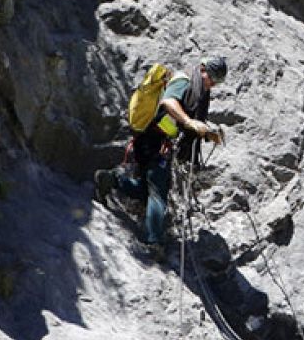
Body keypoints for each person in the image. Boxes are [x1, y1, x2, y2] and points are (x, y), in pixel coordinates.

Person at [95, 56, 227, 255]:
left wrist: (207, 134)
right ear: (202, 69)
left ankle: (110, 180)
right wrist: (189, 122)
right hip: (151, 140)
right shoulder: (184, 80)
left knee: (148, 191)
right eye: (212, 77)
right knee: (158, 191)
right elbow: (169, 102)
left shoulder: (198, 90)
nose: (213, 84)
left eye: (218, 81)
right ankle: (153, 242)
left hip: (158, 142)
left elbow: (186, 120)